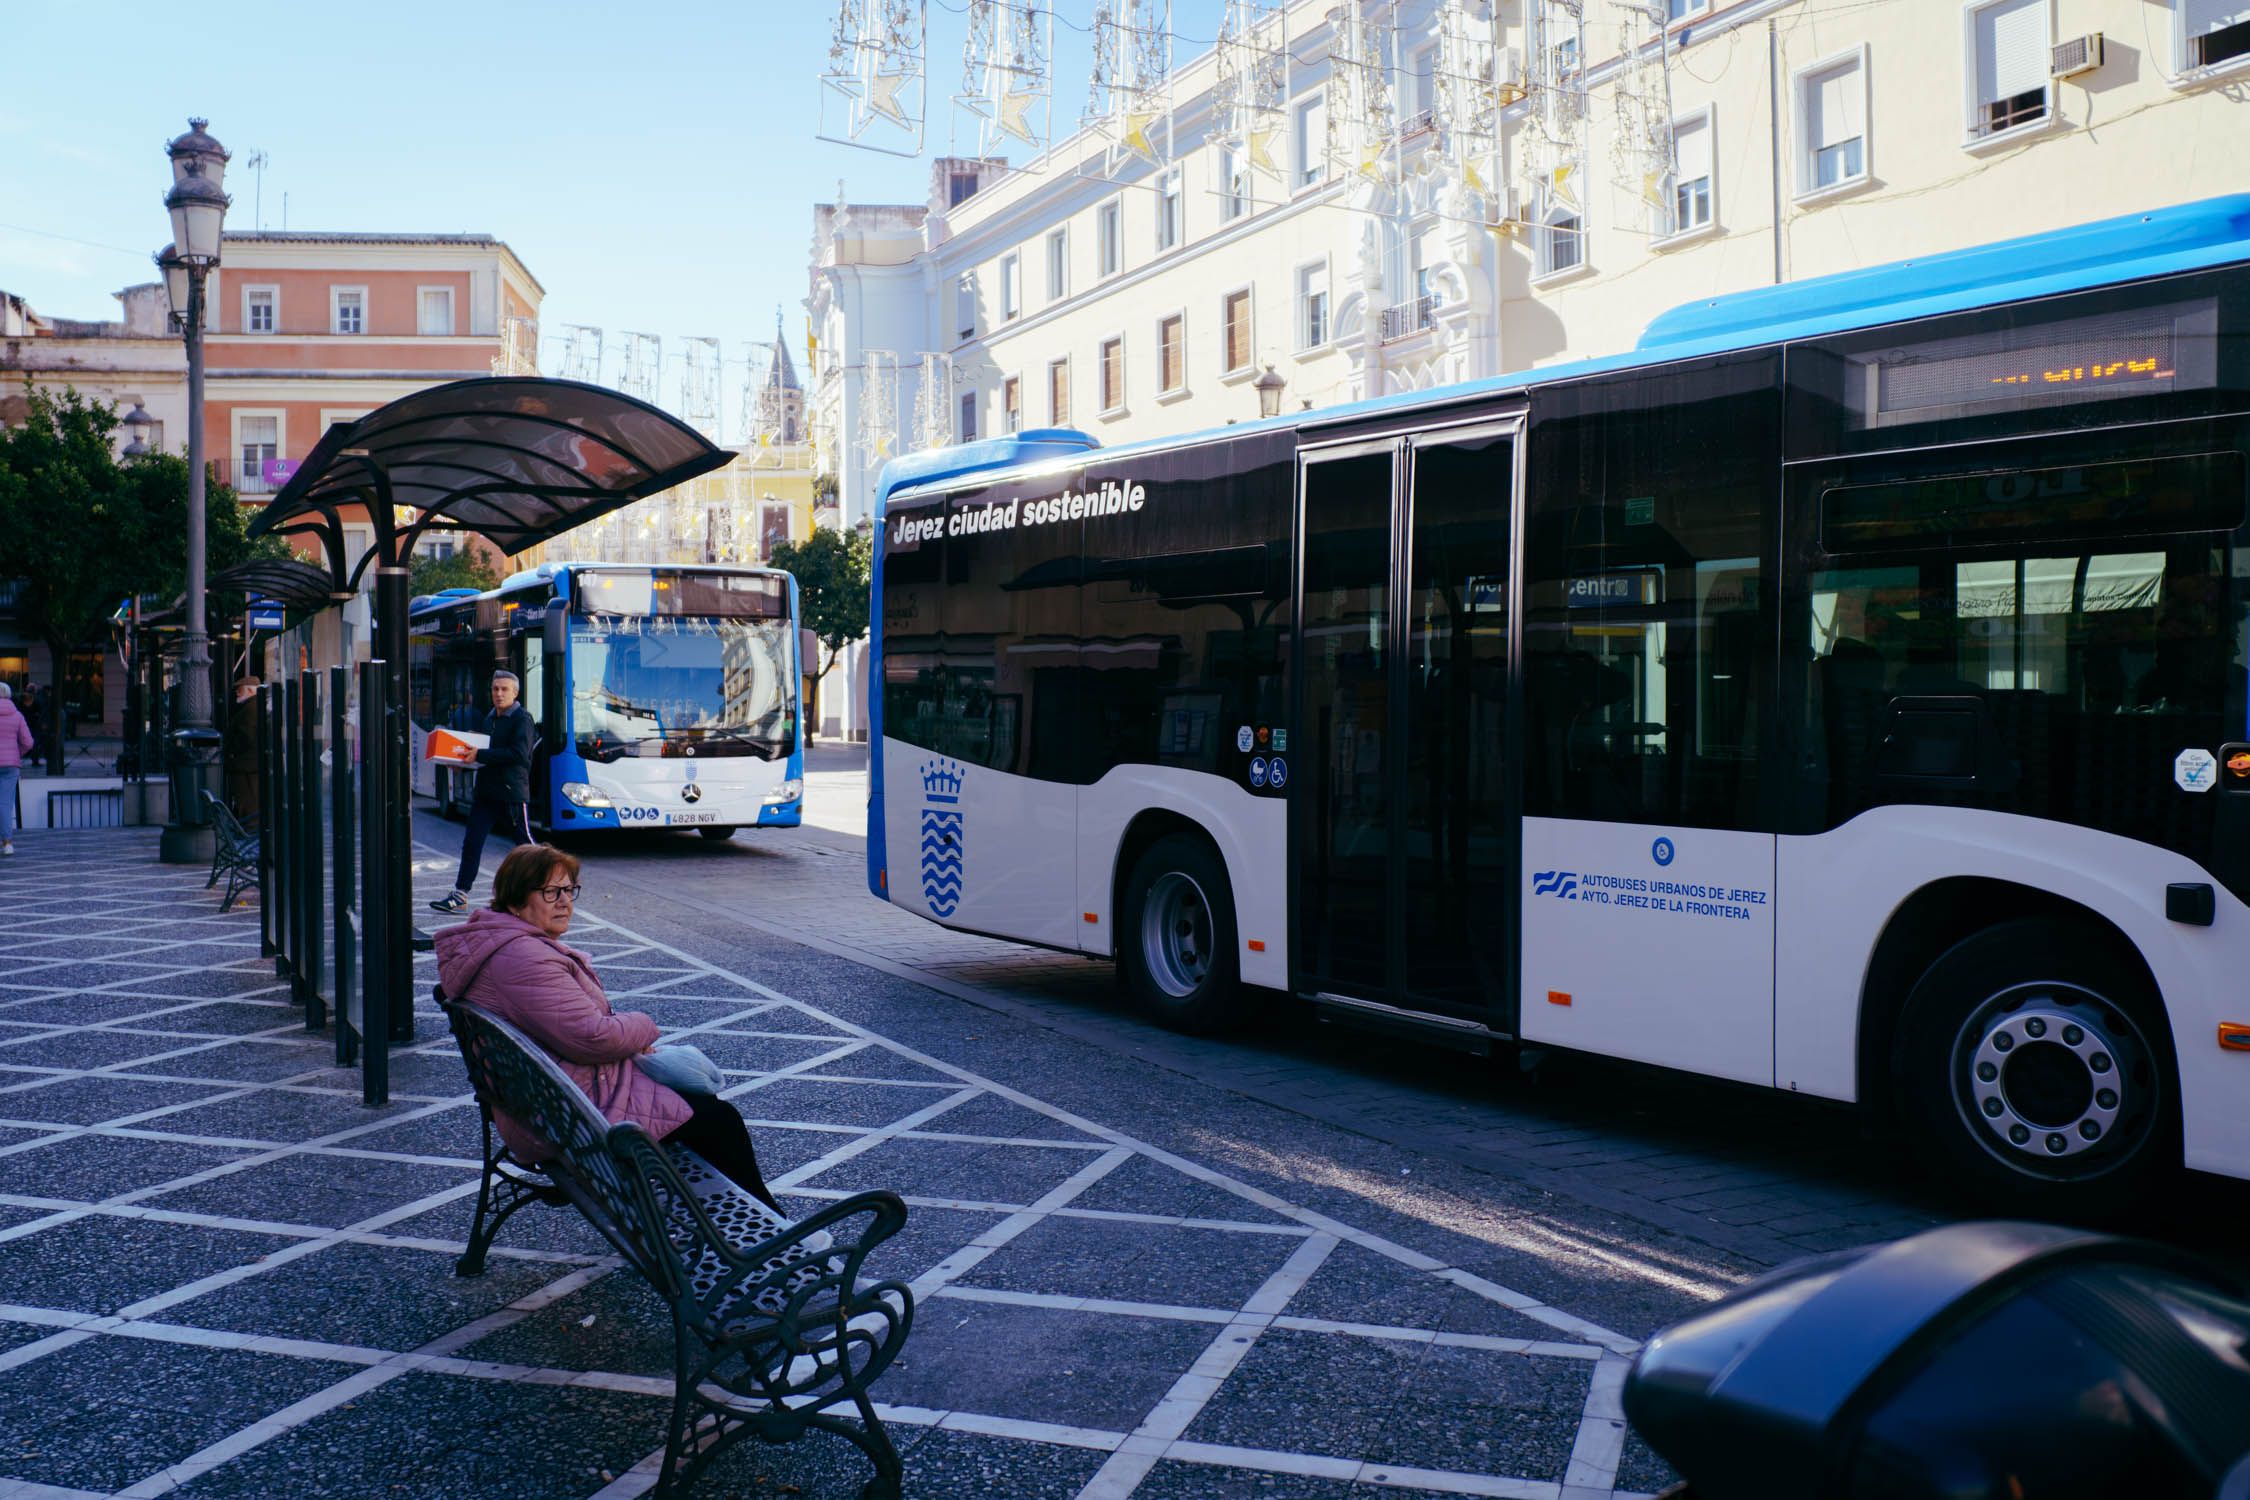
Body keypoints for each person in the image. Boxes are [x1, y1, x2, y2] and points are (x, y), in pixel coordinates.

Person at [433, 843, 781, 1208]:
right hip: (571, 1116)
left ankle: (728, 1218)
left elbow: (575, 1030)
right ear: (516, 899)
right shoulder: (524, 958)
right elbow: (593, 1037)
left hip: (549, 1098)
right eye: (550, 892)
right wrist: (644, 1025)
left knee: (703, 1112)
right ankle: (767, 1227)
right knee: (716, 1119)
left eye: (569, 890)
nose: (564, 902)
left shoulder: (502, 943)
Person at [430, 669, 537, 914]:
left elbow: (519, 755)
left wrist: (481, 755)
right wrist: (461, 763)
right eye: (495, 689)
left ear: (515, 692)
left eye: (504, 689)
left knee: (525, 845)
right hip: (486, 792)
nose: (499, 694)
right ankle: (460, 894)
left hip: (511, 792)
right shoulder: (489, 719)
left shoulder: (523, 719)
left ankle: (548, 885)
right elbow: (483, 754)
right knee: (472, 842)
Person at [223, 676, 262, 823]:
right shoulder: (251, 707)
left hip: (245, 766)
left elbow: (247, 737)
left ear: (251, 691)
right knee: (248, 801)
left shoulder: (251, 709)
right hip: (246, 766)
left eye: (240, 690)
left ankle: (249, 830)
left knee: (247, 802)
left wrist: (231, 751)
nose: (237, 694)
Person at [0, 683, 32, 855]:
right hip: (10, 766)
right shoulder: (17, 715)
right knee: (4, 804)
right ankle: (7, 843)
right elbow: (28, 742)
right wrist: (16, 753)